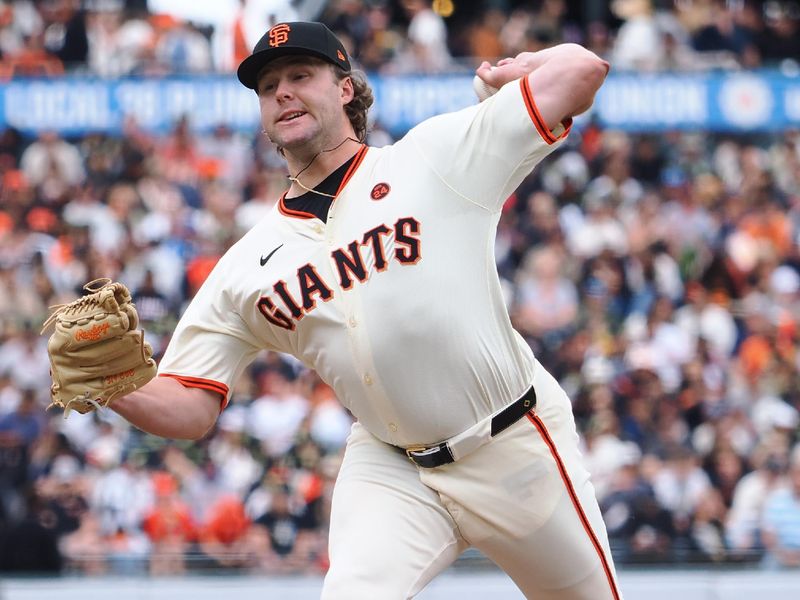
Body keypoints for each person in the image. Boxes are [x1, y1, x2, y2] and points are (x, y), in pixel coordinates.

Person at [105, 20, 617, 598]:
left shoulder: (431, 159)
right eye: (269, 86)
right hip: (393, 469)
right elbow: (191, 406)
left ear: (345, 88)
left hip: (513, 443)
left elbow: (582, 71)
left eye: (301, 75)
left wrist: (519, 67)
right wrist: (112, 383)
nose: (283, 93)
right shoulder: (247, 264)